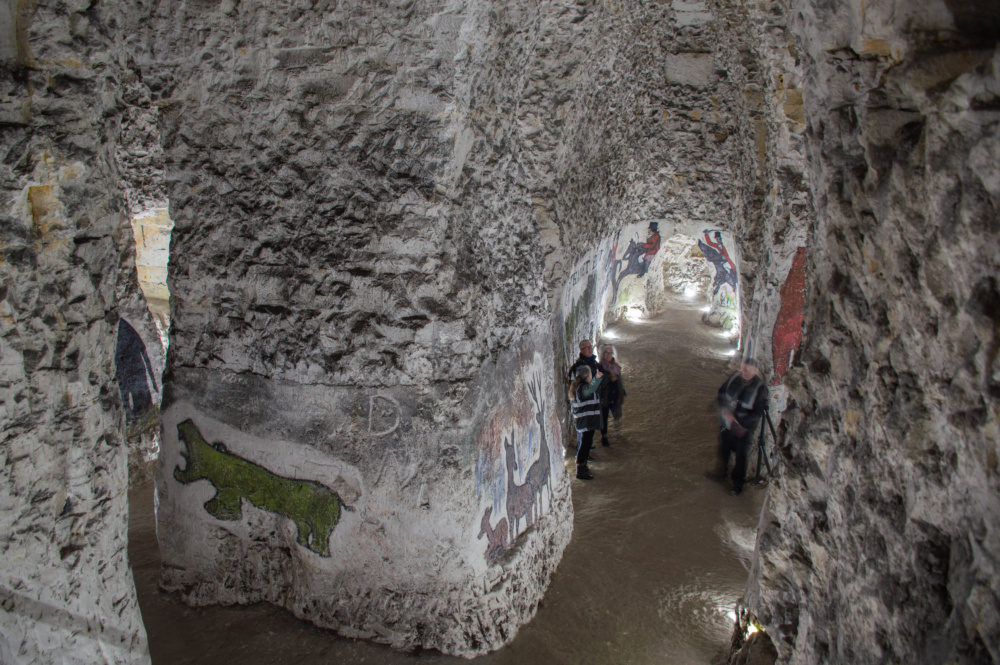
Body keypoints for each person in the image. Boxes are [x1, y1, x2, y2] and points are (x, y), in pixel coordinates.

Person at [709, 357, 766, 496]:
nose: (744, 372)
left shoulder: (760, 388)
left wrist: (737, 419)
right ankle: (722, 472)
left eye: (748, 370)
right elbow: (722, 392)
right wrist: (722, 408)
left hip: (742, 429)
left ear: (756, 370)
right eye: (743, 368)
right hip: (725, 424)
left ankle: (737, 484)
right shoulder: (735, 377)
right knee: (723, 447)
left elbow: (757, 412)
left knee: (740, 456)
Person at [567, 340, 600, 458]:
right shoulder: (579, 367)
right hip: (584, 406)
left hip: (590, 404)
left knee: (588, 431)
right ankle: (581, 456)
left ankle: (585, 450)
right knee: (583, 432)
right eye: (587, 348)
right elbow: (576, 387)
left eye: (590, 346)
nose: (590, 349)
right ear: (581, 350)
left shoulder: (593, 362)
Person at [570, 365, 603, 480]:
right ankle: (580, 470)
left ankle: (583, 466)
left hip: (586, 421)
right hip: (586, 422)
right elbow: (590, 389)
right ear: (588, 376)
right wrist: (597, 379)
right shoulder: (583, 388)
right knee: (584, 446)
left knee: (586, 444)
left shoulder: (580, 387)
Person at [597, 345, 624, 446]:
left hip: (614, 395)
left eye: (610, 353)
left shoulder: (615, 366)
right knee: (604, 418)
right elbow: (599, 383)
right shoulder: (600, 367)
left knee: (617, 415)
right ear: (602, 354)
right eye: (606, 353)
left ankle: (618, 434)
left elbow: (619, 382)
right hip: (605, 396)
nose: (608, 355)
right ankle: (604, 437)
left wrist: (621, 394)